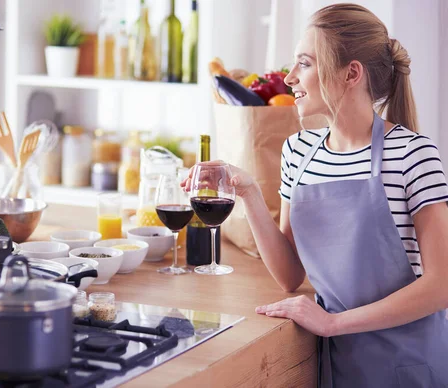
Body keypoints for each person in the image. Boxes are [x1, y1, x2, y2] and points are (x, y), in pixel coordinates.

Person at [183, 3, 448, 387]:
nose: (290, 78)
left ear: (351, 73)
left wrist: (333, 322)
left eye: (304, 64)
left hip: (406, 366)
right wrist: (250, 193)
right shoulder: (298, 152)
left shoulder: (412, 154)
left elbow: (440, 287)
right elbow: (290, 275)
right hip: (336, 364)